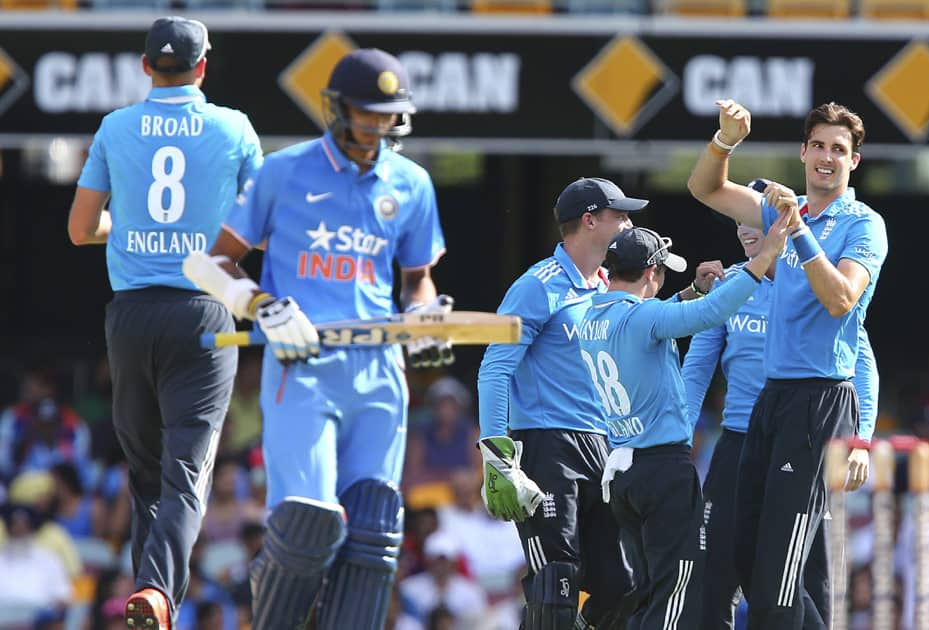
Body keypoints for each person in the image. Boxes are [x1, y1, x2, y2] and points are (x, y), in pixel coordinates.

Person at [182, 48, 449, 630]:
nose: (377, 125)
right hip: (303, 365)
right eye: (366, 112)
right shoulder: (284, 171)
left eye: (388, 114)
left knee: (374, 528)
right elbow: (208, 265)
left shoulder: (412, 183)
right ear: (337, 107)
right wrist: (263, 307)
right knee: (308, 521)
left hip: (380, 371)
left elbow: (418, 278)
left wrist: (425, 319)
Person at [67, 16, 263, 630]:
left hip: (129, 316)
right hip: (203, 309)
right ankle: (157, 590)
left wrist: (125, 232)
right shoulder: (233, 126)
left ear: (146, 66)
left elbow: (79, 229)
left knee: (146, 470)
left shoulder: (114, 127)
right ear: (203, 67)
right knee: (186, 471)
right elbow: (256, 227)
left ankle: (152, 597)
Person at [477, 177, 719, 628]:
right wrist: (497, 454)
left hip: (605, 446)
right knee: (556, 582)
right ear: (590, 221)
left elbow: (639, 324)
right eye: (620, 215)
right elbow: (495, 367)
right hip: (547, 447)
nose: (629, 223)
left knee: (624, 586)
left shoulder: (609, 284)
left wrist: (688, 296)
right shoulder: (536, 285)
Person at [687, 99, 888, 628]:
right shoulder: (785, 208)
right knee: (746, 556)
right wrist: (726, 140)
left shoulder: (863, 225)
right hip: (770, 401)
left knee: (779, 578)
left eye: (839, 150)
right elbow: (705, 188)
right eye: (818, 146)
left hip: (820, 403)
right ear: (802, 152)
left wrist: (796, 228)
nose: (827, 157)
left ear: (854, 162)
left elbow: (841, 299)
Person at [584, 222, 788, 629]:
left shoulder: (593, 314)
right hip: (662, 471)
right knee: (677, 591)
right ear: (650, 274)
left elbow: (657, 316)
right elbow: (710, 312)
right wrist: (763, 259)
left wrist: (689, 291)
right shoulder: (645, 317)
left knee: (646, 592)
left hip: (623, 469)